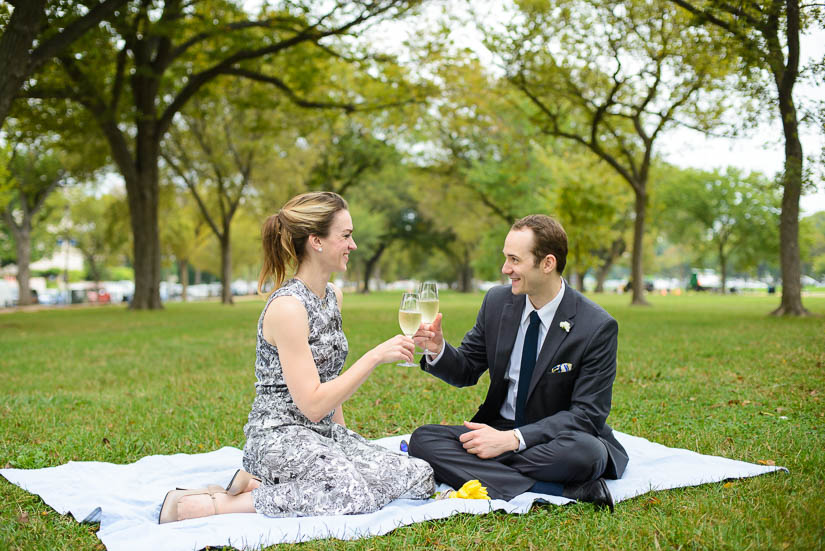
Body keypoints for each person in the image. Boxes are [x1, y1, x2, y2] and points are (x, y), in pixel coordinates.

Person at [159, 191, 434, 523]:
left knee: (419, 477)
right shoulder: (288, 307)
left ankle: (262, 484)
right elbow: (314, 404)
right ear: (316, 241)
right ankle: (215, 504)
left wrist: (343, 442)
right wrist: (374, 356)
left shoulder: (333, 296)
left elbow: (329, 380)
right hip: (278, 434)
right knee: (351, 492)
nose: (353, 245)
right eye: (345, 236)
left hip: (319, 433)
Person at [408, 214, 627, 511]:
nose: (505, 269)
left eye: (514, 260)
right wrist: (438, 349)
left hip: (558, 439)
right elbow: (467, 369)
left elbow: (586, 416)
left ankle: (490, 471)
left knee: (588, 454)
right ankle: (551, 488)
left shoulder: (596, 326)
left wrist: (512, 441)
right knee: (423, 440)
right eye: (505, 258)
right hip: (497, 428)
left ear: (547, 263)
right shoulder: (497, 302)